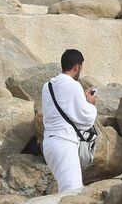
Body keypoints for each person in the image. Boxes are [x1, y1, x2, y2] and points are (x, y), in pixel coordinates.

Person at [41, 49, 98, 194]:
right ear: (76, 67)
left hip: (48, 144)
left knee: (65, 188)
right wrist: (90, 103)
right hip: (64, 142)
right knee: (72, 191)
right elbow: (85, 118)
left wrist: (80, 100)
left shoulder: (47, 86)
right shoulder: (73, 85)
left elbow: (63, 108)